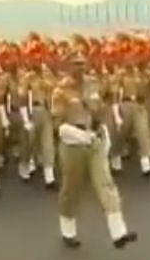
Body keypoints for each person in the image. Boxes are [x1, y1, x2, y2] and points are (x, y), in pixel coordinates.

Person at [51, 48, 137, 249]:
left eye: (82, 63)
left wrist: (102, 131)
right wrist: (80, 135)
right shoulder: (60, 91)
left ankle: (119, 232)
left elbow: (102, 107)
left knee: (106, 184)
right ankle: (68, 230)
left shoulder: (93, 84)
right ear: (67, 67)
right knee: (71, 189)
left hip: (95, 141)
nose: (80, 67)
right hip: (73, 144)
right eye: (75, 64)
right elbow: (58, 124)